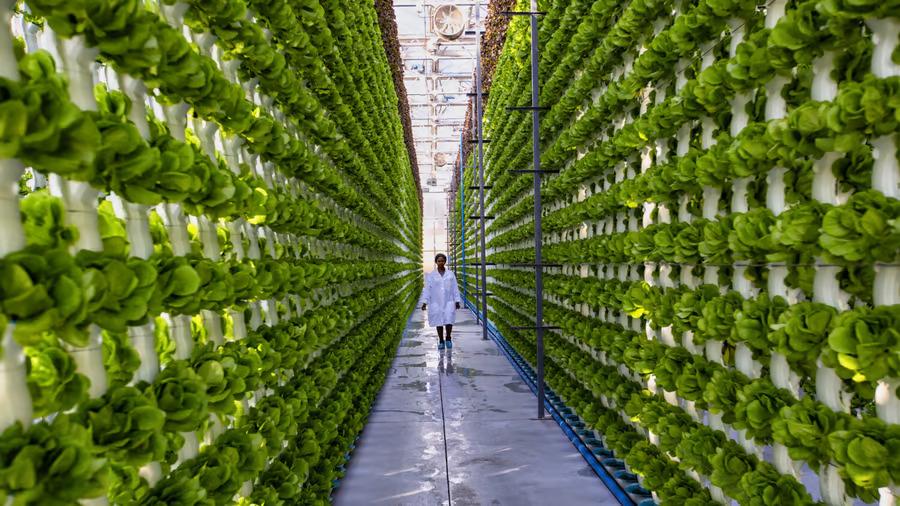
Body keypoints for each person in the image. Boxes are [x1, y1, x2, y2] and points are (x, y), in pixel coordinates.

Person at [420, 253, 462, 351]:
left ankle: (448, 338)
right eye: (439, 261)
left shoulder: (450, 274)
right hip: (436, 301)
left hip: (449, 301)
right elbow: (427, 289)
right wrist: (424, 302)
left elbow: (455, 287)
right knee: (438, 321)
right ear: (436, 262)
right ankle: (441, 340)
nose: (441, 262)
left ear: (445, 262)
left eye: (442, 261)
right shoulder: (431, 275)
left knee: (449, 320)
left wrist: (457, 301)